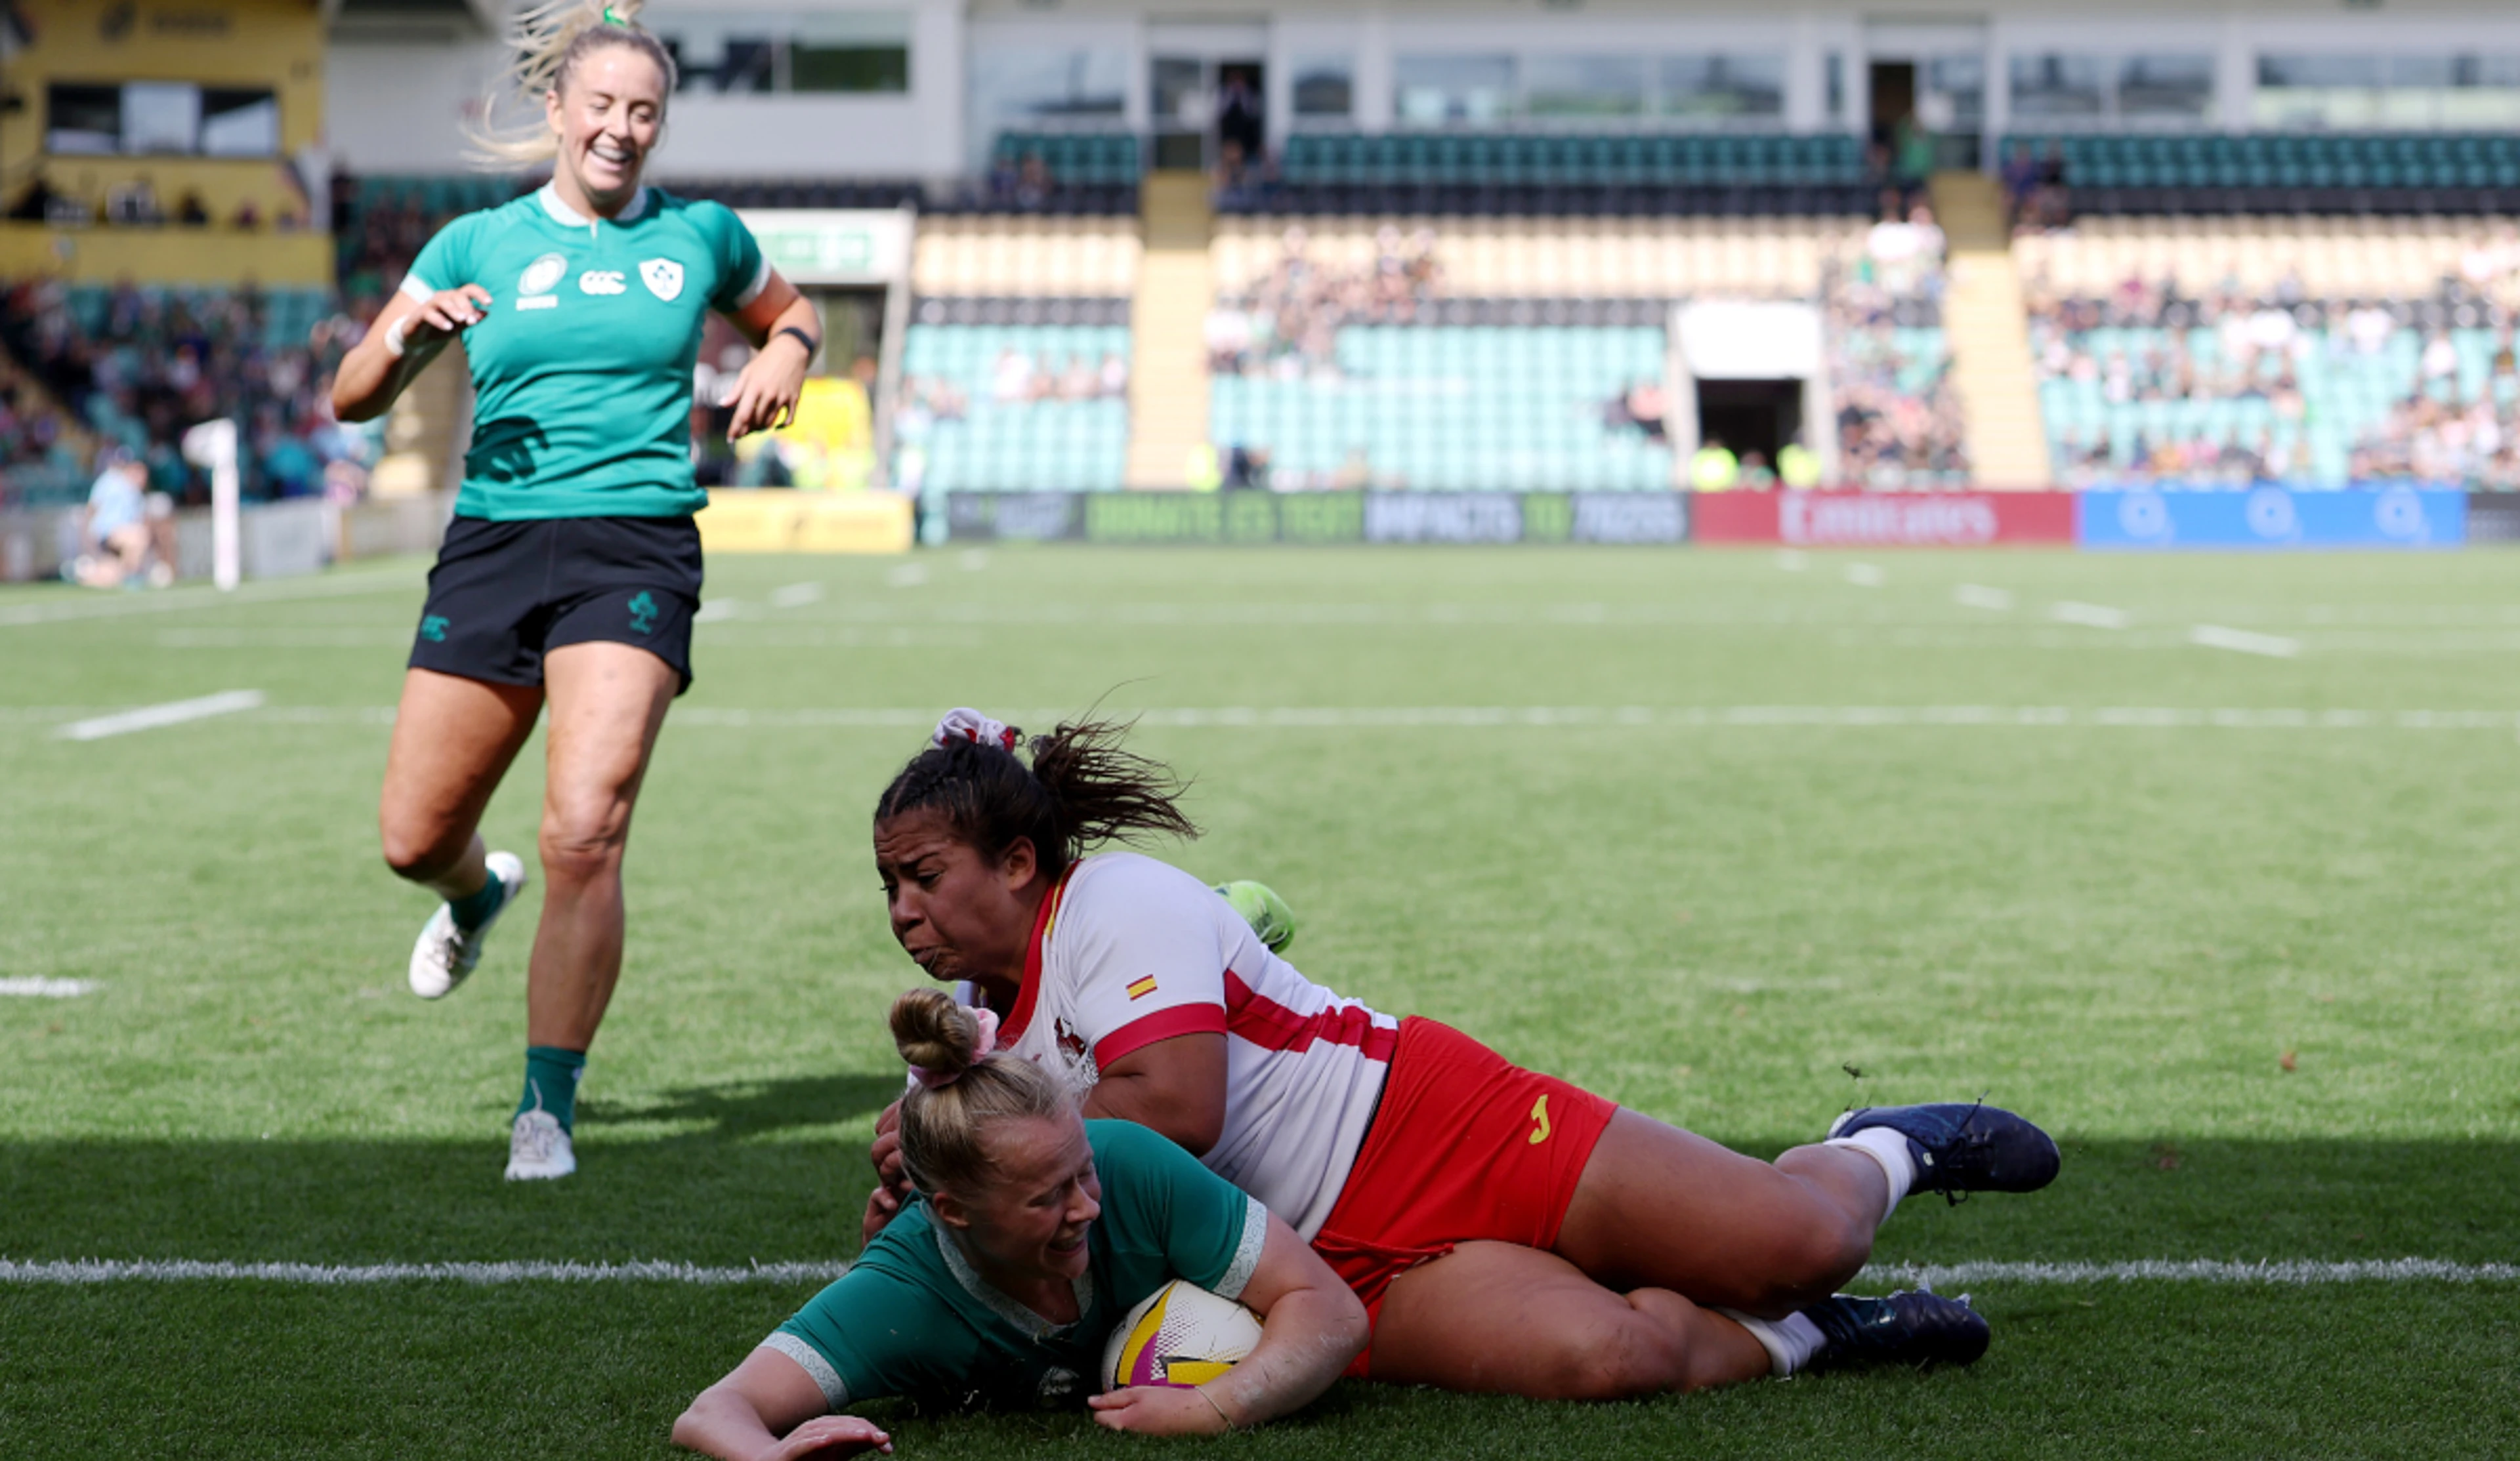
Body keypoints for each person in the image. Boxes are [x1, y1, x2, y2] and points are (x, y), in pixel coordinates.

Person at [864, 712, 2057, 1400]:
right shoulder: (967, 1034)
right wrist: (933, 1191)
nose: (904, 912)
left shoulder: (1116, 898)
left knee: (1802, 1240)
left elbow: (1174, 1109)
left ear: (1020, 862)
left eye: (926, 878)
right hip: (1314, 1258)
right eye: (890, 888)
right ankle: (1813, 1333)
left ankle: (1877, 1147)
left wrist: (977, 1166)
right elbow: (976, 1230)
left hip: (1421, 1118)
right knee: (1604, 1353)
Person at [330, 0, 824, 1181]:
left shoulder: (704, 234)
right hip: (495, 547)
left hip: (636, 547)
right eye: (601, 106)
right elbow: (351, 390)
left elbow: (790, 310)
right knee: (412, 839)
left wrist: (786, 351)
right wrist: (406, 342)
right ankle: (472, 891)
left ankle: (544, 1106)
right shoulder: (474, 244)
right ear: (557, 110)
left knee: (586, 829)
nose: (621, 128)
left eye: (643, 111)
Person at [673, 989, 1367, 1457]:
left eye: (1082, 1170)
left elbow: (1330, 1309)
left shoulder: (1131, 1163)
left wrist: (1213, 1405)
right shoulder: (903, 1287)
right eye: (1047, 1197)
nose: (1088, 1205)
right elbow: (714, 1410)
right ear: (953, 1211)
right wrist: (772, 1454)